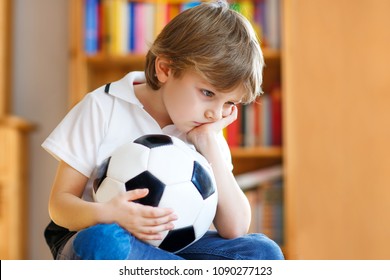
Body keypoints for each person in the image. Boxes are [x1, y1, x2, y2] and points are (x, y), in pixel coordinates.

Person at [42, 0, 284, 260]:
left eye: (229, 103)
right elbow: (60, 207)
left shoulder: (204, 129)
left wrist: (207, 141)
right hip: (99, 233)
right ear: (165, 69)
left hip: (173, 247)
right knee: (104, 243)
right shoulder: (102, 106)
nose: (215, 113)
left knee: (263, 252)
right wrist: (109, 214)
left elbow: (235, 228)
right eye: (207, 93)